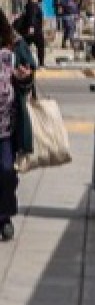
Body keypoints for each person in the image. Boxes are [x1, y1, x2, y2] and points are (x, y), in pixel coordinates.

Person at [0, 15, 32, 242]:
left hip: (6, 127)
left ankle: (4, 216)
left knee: (6, 172)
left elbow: (27, 81)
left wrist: (24, 78)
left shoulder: (12, 51)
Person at [13, 0, 45, 68]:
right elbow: (32, 17)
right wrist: (31, 27)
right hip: (35, 31)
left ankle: (21, 61)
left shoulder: (30, 4)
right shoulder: (33, 5)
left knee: (24, 46)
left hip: (33, 30)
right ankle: (40, 63)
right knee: (40, 46)